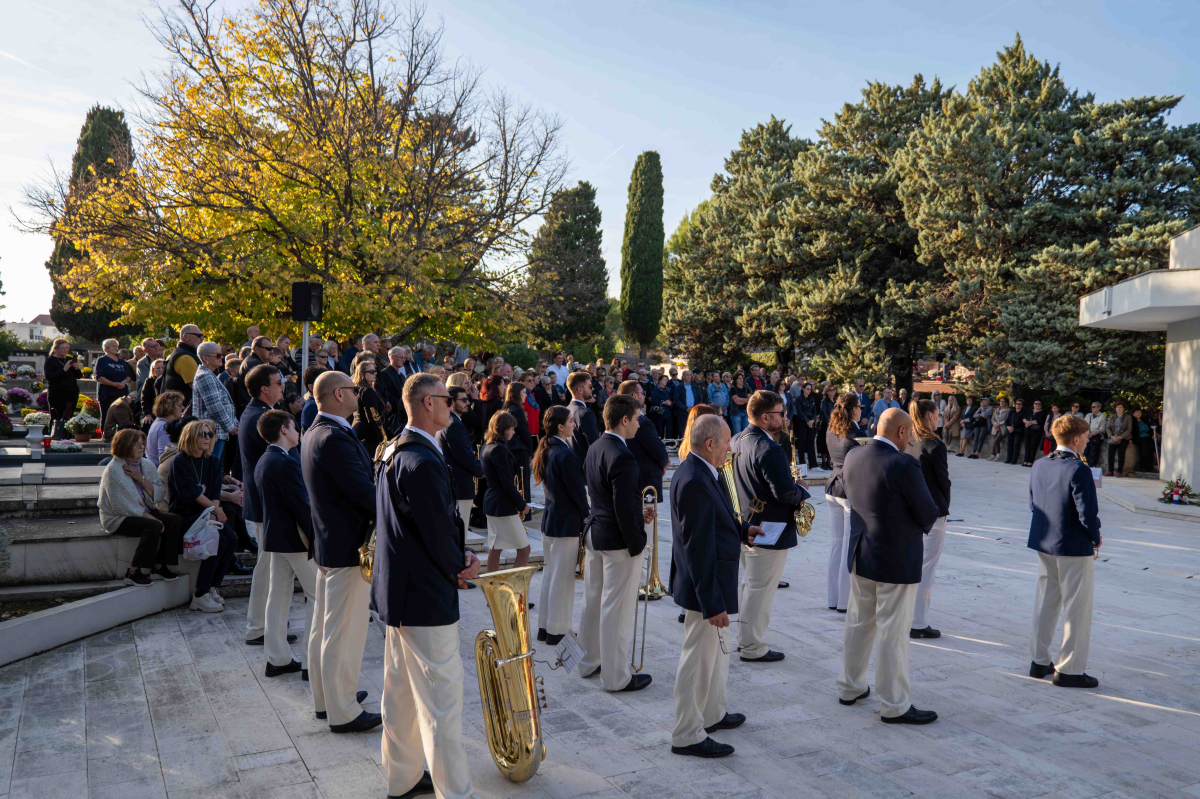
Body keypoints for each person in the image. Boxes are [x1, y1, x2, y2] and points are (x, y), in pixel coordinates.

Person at [372, 372, 482, 799]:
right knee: (441, 702)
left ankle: (402, 779)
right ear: (427, 404)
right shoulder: (418, 459)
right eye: (448, 400)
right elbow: (437, 530)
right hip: (423, 594)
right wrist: (460, 563)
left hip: (399, 591)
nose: (455, 406)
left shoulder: (394, 449)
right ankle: (454, 791)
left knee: (399, 693)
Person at [839, 408, 940, 724]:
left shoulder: (854, 454)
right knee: (892, 633)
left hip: (862, 554)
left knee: (858, 622)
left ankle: (850, 686)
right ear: (900, 432)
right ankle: (894, 704)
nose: (910, 439)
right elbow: (927, 513)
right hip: (895, 559)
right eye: (908, 433)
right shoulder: (904, 463)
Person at [670, 414, 762, 760]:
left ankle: (710, 715)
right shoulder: (694, 478)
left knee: (712, 658)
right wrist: (713, 604)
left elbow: (716, 518)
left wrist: (742, 532)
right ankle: (686, 734)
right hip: (704, 590)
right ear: (710, 444)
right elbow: (697, 546)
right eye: (726, 443)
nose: (729, 449)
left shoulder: (702, 471)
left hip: (710, 584)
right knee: (698, 661)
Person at [302, 370, 380, 733]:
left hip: (332, 541)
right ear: (337, 394)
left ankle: (327, 698)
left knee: (325, 628)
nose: (358, 394)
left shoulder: (321, 431)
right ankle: (342, 710)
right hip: (347, 545)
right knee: (342, 632)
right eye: (353, 389)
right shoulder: (332, 437)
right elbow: (364, 494)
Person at [578, 394, 656, 693]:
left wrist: (638, 511)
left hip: (597, 533)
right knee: (617, 610)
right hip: (617, 541)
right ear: (624, 419)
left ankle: (590, 661)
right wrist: (637, 543)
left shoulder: (596, 445)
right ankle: (616, 677)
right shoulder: (622, 454)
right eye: (637, 418)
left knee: (594, 602)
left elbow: (609, 498)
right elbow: (621, 506)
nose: (639, 424)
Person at [729, 390, 811, 663]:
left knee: (751, 587)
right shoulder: (769, 448)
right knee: (759, 591)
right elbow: (785, 493)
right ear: (765, 417)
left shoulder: (737, 439)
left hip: (744, 523)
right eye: (781, 414)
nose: (785, 418)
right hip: (768, 529)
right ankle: (752, 647)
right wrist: (801, 490)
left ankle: (746, 641)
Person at [1028, 414, 1102, 688]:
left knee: (1045, 601)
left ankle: (1039, 661)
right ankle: (1069, 669)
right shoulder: (1078, 469)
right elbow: (1087, 512)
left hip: (1044, 541)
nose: (1086, 440)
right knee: (1076, 607)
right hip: (1072, 545)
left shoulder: (1039, 463)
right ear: (1075, 439)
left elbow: (1033, 503)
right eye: (1085, 436)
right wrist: (1094, 537)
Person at [255, 410, 317, 679]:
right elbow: (301, 507)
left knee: (277, 597)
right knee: (317, 596)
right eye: (293, 427)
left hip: (277, 538)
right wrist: (318, 536)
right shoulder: (284, 462)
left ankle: (277, 658)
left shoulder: (266, 459)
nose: (297, 431)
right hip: (295, 540)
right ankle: (310, 664)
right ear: (283, 430)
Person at [167, 420, 238, 612]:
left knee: (231, 540)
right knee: (219, 541)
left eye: (210, 435)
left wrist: (214, 512)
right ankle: (200, 594)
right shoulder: (180, 461)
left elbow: (214, 493)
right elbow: (191, 494)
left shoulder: (213, 461)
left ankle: (212, 587)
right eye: (202, 434)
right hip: (185, 514)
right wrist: (215, 512)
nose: (208, 438)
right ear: (190, 437)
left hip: (205, 513)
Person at [99, 429, 184, 587]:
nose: (141, 447)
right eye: (136, 444)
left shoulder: (147, 464)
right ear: (124, 446)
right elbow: (118, 504)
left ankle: (160, 565)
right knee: (153, 525)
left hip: (145, 511)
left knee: (175, 520)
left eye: (142, 444)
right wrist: (144, 515)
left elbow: (158, 494)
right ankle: (132, 572)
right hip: (118, 517)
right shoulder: (113, 469)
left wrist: (141, 479)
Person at [532, 406, 588, 645]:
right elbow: (577, 493)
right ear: (560, 426)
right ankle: (558, 630)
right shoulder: (564, 454)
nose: (574, 425)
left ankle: (545, 627)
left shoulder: (548, 450)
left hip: (552, 521)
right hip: (565, 523)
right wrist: (587, 517)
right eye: (570, 421)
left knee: (551, 576)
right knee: (562, 579)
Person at [238, 364, 285, 646]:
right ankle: (257, 627)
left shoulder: (256, 412)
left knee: (269, 567)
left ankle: (263, 626)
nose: (283, 386)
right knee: (266, 567)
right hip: (265, 503)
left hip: (263, 502)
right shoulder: (260, 417)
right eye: (278, 383)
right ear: (264, 388)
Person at [908, 399, 951, 639]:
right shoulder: (934, 444)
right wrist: (944, 505)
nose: (939, 418)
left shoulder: (908, 439)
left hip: (911, 509)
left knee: (914, 564)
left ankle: (909, 616)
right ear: (928, 416)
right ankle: (918, 621)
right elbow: (943, 480)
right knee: (927, 567)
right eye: (937, 414)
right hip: (932, 511)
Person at [481, 411, 532, 574]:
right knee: (524, 549)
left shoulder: (487, 446)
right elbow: (507, 484)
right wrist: (522, 504)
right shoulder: (498, 449)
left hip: (493, 503)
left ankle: (494, 596)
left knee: (495, 549)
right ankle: (514, 594)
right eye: (510, 428)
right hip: (502, 505)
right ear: (501, 429)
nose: (513, 432)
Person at [825, 392, 862, 614]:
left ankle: (833, 598)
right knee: (847, 546)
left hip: (832, 488)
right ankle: (843, 602)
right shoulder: (856, 433)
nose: (861, 410)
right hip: (848, 491)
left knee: (837, 544)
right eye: (860, 407)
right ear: (853, 409)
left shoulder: (831, 430)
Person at [616, 379, 670, 509]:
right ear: (634, 395)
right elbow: (658, 450)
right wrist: (664, 463)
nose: (644, 396)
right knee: (648, 525)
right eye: (642, 392)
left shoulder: (617, 417)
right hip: (645, 480)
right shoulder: (643, 422)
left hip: (629, 477)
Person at [437, 386, 484, 531]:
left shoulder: (448, 421)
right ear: (451, 401)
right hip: (459, 485)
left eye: (468, 399)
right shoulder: (454, 425)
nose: (468, 403)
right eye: (464, 399)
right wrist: (481, 470)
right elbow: (464, 455)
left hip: (453, 484)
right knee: (460, 532)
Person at [192, 342, 239, 465]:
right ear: (206, 358)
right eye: (218, 355)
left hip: (217, 431)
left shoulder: (209, 374)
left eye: (222, 355)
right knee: (211, 468)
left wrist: (233, 422)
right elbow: (215, 406)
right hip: (211, 433)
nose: (222, 357)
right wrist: (230, 426)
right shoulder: (204, 376)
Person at [44, 338, 82, 439]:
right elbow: (49, 376)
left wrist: (77, 368)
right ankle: (55, 436)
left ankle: (67, 437)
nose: (65, 350)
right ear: (56, 349)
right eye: (62, 348)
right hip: (57, 392)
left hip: (71, 392)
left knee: (69, 415)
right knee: (56, 415)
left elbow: (78, 376)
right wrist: (63, 370)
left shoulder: (70, 359)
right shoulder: (50, 360)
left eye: (67, 348)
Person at [503, 382, 533, 511]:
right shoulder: (517, 411)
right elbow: (525, 432)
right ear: (516, 394)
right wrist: (531, 450)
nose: (526, 395)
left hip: (511, 448)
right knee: (521, 482)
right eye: (524, 393)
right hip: (519, 449)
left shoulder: (506, 409)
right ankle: (523, 511)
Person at [351, 359, 387, 458]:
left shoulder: (357, 389)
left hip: (358, 429)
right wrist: (381, 440)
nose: (374, 373)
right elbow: (372, 418)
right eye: (371, 371)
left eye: (375, 371)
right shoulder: (367, 391)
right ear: (362, 374)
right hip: (368, 434)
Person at [95, 338, 134, 429]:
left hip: (121, 393)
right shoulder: (102, 360)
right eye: (113, 346)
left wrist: (123, 382)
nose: (115, 347)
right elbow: (99, 377)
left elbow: (129, 376)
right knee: (107, 415)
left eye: (116, 346)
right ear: (106, 348)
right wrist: (114, 384)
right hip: (107, 393)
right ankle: (106, 435)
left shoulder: (122, 362)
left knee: (122, 414)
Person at [163, 324, 204, 404]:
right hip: (183, 409)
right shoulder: (185, 358)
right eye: (198, 336)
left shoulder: (185, 353)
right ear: (186, 337)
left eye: (202, 336)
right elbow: (198, 388)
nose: (202, 339)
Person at [566, 371, 600, 464]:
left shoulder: (566, 410)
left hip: (572, 465)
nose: (592, 389)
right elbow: (594, 446)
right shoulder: (586, 414)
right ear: (580, 390)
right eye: (590, 386)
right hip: (585, 468)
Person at [147, 391, 186, 466]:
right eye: (179, 405)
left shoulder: (159, 423)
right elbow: (165, 456)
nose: (183, 408)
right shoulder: (163, 426)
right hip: (160, 472)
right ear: (169, 407)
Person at [1105, 400, 1131, 477]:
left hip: (1123, 438)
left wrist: (1121, 437)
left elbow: (1129, 429)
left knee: (1121, 454)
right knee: (1110, 454)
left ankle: (1119, 471)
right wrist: (1111, 436)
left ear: (1123, 409)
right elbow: (1108, 427)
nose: (1119, 409)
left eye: (1120, 407)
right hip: (1113, 438)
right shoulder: (1112, 416)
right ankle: (1110, 470)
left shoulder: (1128, 417)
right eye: (1117, 407)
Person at [299, 364, 325, 433]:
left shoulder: (316, 404)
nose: (328, 386)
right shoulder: (312, 407)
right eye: (323, 383)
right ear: (311, 387)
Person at [140, 359, 165, 429]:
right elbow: (144, 399)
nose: (160, 370)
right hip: (152, 411)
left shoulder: (167, 381)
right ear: (153, 370)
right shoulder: (149, 381)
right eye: (158, 368)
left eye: (162, 367)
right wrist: (147, 414)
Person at [818, 384, 838, 470]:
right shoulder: (824, 401)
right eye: (830, 390)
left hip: (835, 424)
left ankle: (829, 462)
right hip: (826, 424)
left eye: (833, 390)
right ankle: (823, 462)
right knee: (824, 443)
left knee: (832, 443)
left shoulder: (836, 401)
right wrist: (830, 421)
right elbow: (824, 412)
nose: (832, 392)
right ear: (826, 391)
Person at [1024, 399, 1048, 467]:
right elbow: (1024, 418)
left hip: (1036, 432)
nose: (1037, 405)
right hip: (1027, 431)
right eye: (1035, 403)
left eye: (1039, 404)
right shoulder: (1030, 411)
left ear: (1041, 405)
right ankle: (1026, 460)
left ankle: (1031, 461)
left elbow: (1040, 420)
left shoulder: (1042, 413)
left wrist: (1030, 422)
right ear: (1033, 404)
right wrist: (1026, 422)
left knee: (1033, 447)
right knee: (1027, 446)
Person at [988, 397, 1012, 462]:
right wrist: (995, 424)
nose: (1001, 403)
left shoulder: (1008, 410)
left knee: (996, 441)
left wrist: (999, 424)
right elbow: (993, 419)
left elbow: (1006, 420)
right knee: (994, 441)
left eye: (1003, 401)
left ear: (1006, 403)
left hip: (1003, 427)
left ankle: (998, 455)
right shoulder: (997, 410)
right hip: (995, 427)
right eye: (1000, 401)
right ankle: (993, 455)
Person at [1005, 398, 1028, 465]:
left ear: (1022, 405)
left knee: (1016, 445)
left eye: (1019, 404)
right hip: (1010, 430)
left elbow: (1021, 422)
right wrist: (1008, 426)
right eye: (1016, 404)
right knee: (1009, 444)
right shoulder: (1012, 412)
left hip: (1018, 430)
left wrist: (1013, 427)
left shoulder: (1023, 413)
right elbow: (1007, 421)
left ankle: (1014, 460)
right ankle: (1008, 458)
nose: (1017, 405)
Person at [1084, 401, 1107, 467]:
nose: (1092, 408)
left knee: (1093, 454)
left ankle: (1091, 468)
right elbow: (1084, 424)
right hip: (1087, 437)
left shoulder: (1102, 416)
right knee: (1085, 453)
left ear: (1099, 408)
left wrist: (1093, 433)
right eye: (1091, 406)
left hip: (1096, 437)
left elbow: (1102, 428)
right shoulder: (1088, 415)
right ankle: (1085, 467)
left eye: (1094, 407)